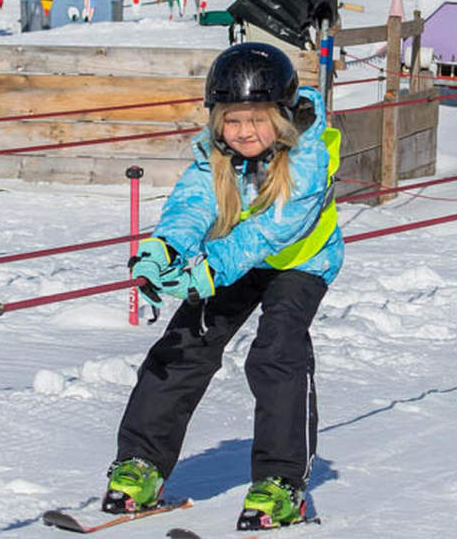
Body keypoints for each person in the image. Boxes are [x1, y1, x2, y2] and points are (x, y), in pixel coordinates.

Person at [102, 42, 343, 530]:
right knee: (187, 341)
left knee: (277, 352)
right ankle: (141, 463)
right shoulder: (219, 154)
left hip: (300, 262)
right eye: (232, 120)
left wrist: (208, 270)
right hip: (234, 260)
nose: (244, 132)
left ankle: (281, 482)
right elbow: (194, 203)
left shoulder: (308, 155)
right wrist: (165, 249)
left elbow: (272, 230)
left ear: (279, 116)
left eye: (256, 119)